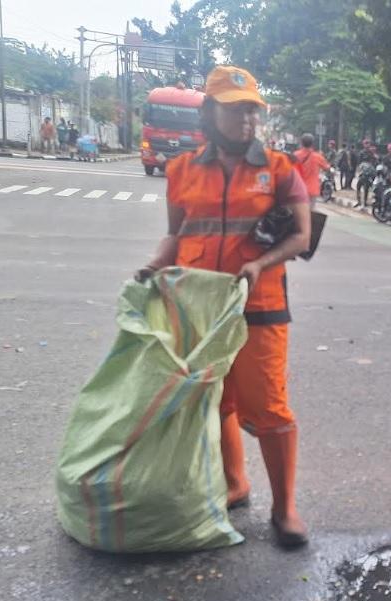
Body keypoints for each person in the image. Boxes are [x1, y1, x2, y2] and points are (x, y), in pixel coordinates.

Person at [135, 66, 312, 547]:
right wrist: (154, 264)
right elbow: (176, 234)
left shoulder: (279, 169)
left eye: (252, 110)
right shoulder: (182, 170)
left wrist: (260, 263)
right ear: (210, 113)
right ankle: (236, 484)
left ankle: (285, 509)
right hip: (199, 305)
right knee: (216, 399)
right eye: (236, 111)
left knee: (270, 407)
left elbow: (301, 236)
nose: (247, 120)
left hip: (260, 305)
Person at [292, 133, 330, 208]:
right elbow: (327, 167)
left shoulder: (295, 155)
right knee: (311, 211)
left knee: (297, 211)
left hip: (298, 189)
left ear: (301, 143)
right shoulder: (317, 157)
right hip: (312, 190)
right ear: (312, 144)